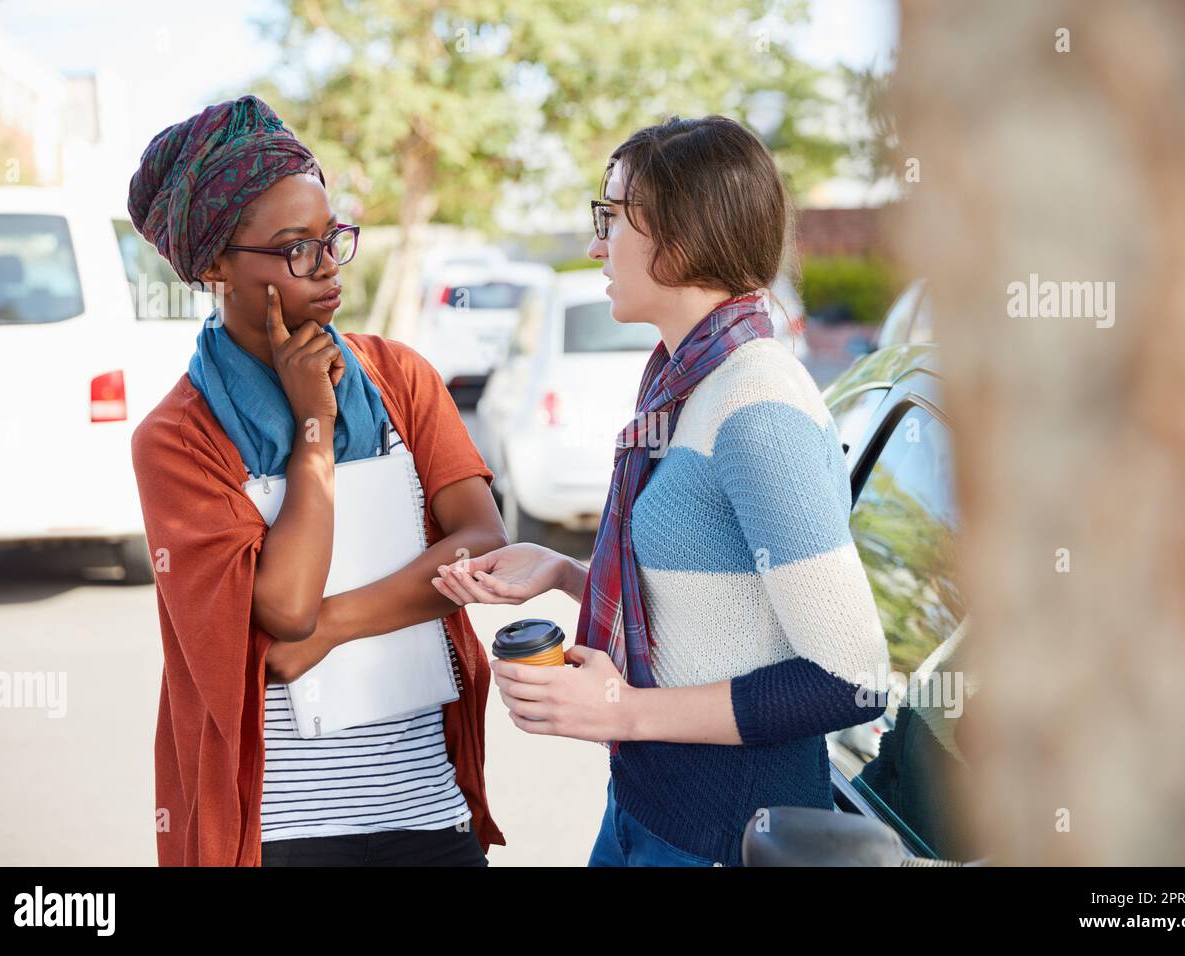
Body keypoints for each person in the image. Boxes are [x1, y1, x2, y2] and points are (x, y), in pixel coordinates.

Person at [433, 115, 892, 867]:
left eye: (609, 219)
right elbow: (710, 617)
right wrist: (559, 572)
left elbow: (852, 680)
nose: (594, 244)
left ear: (681, 238)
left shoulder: (758, 408)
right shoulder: (689, 382)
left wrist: (623, 710)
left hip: (729, 838)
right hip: (646, 813)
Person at [128, 94, 507, 866]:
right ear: (213, 266)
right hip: (280, 834)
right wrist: (313, 431)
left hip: (427, 811)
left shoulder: (399, 378)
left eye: (333, 238)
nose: (329, 267)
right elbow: (283, 609)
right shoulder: (177, 438)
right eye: (296, 247)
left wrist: (335, 626)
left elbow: (481, 542)